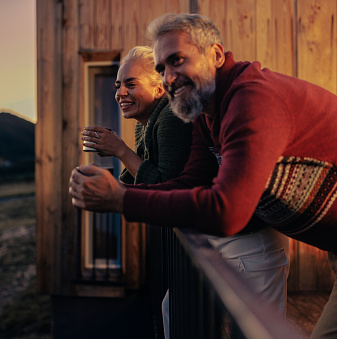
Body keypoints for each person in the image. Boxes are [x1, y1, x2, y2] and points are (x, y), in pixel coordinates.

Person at [70, 13, 337, 338]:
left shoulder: (252, 100)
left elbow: (228, 210)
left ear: (217, 55)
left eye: (177, 60)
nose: (169, 77)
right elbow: (187, 181)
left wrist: (121, 198)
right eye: (162, 68)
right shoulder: (207, 114)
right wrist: (120, 195)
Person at [81, 46, 289, 338]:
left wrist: (119, 153)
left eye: (131, 84)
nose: (120, 93)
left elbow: (167, 180)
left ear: (157, 89)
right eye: (117, 85)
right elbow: (146, 175)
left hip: (247, 237)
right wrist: (109, 184)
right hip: (218, 236)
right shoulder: (146, 124)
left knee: (255, 328)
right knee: (175, 310)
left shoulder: (170, 118)